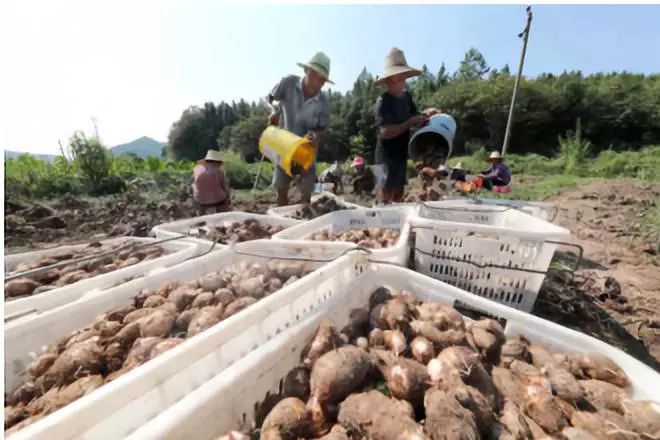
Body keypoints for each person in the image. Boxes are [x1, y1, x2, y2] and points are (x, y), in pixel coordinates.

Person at [266, 52, 332, 206]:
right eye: (314, 75)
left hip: (306, 153)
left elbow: (323, 130)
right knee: (281, 191)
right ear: (306, 71)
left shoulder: (322, 103)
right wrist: (272, 111)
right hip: (283, 147)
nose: (317, 82)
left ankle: (305, 218)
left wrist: (316, 135)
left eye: (322, 79)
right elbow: (269, 98)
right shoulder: (288, 83)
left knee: (306, 196)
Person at [374, 47, 429, 204]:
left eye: (399, 77)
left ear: (404, 76)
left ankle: (395, 228)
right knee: (384, 197)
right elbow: (385, 132)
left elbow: (415, 115)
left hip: (401, 156)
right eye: (391, 79)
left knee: (398, 196)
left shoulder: (407, 98)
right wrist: (409, 123)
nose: (395, 81)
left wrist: (426, 116)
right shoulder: (383, 102)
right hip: (386, 158)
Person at [192, 150, 231, 215]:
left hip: (201, 202)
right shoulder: (219, 171)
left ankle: (200, 215)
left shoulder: (196, 169)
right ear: (217, 162)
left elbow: (195, 186)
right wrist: (228, 198)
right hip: (219, 200)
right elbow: (225, 187)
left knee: (193, 187)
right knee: (225, 198)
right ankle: (225, 215)